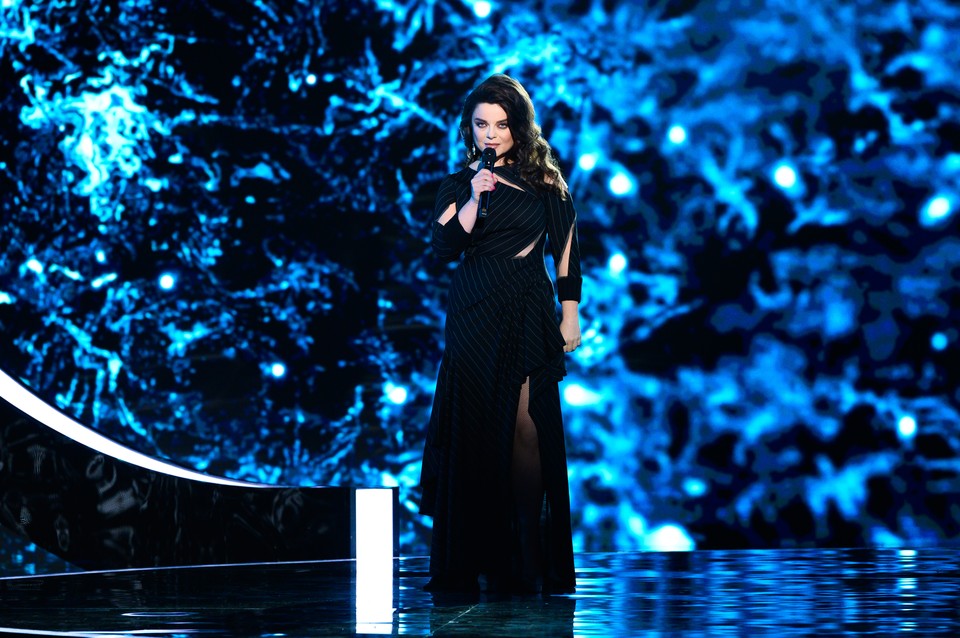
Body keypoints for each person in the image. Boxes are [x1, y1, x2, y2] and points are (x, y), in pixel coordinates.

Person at [419, 74, 582, 595]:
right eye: (481, 124)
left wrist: (570, 312)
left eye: (502, 124)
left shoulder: (546, 181)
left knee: (528, 429)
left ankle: (529, 551)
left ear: (519, 127)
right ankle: (480, 556)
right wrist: (473, 196)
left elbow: (566, 248)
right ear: (469, 128)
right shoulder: (458, 184)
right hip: (474, 313)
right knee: (476, 433)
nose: (491, 134)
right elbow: (444, 246)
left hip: (529, 307)